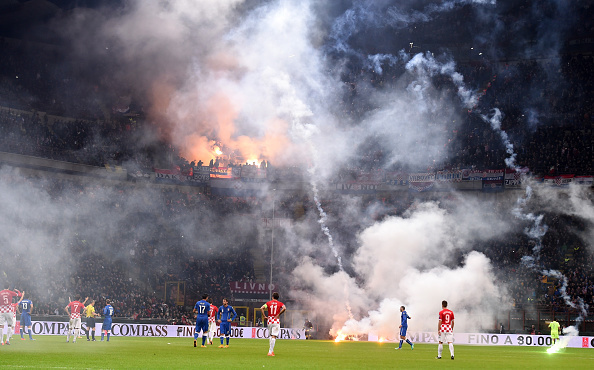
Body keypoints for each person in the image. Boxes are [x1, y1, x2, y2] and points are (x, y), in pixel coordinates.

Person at [260, 292, 286, 357]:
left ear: (272, 297)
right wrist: (279, 314)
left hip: (269, 320)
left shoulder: (268, 303)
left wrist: (264, 316)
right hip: (276, 321)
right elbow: (284, 308)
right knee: (274, 336)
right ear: (278, 297)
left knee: (271, 335)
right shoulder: (280, 303)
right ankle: (270, 352)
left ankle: (271, 351)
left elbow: (261, 308)